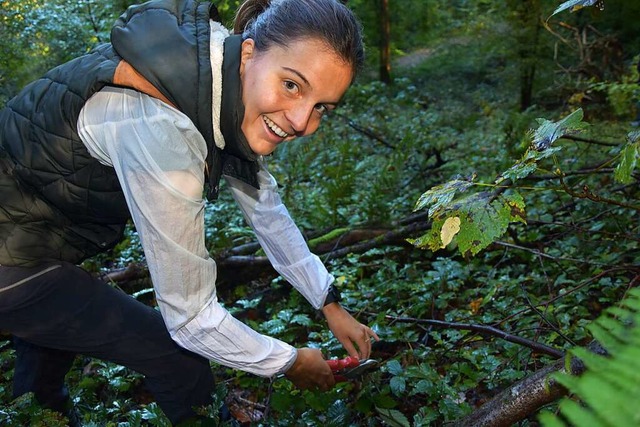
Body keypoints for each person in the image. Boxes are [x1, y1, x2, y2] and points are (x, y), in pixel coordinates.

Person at [0, 0, 379, 424]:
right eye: (292, 85)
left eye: (321, 107)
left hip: (33, 237)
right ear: (250, 52)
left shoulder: (210, 77)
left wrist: (329, 302)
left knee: (45, 357)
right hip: (13, 256)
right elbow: (191, 319)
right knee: (176, 359)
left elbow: (266, 210)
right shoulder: (163, 125)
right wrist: (288, 361)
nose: (299, 122)